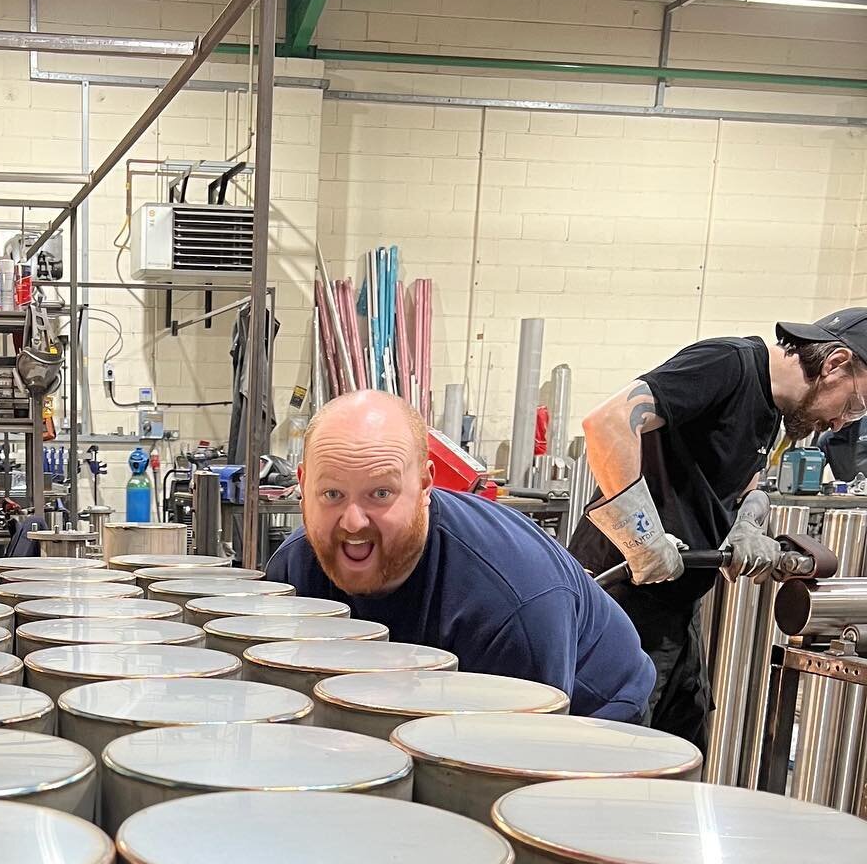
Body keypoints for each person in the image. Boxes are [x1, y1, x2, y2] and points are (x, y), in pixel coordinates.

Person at [570, 307, 867, 747]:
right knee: (610, 754)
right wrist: (642, 537)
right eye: (853, 405)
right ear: (835, 363)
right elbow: (608, 423)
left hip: (675, 604)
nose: (843, 422)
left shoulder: (775, 409)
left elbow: (741, 477)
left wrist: (747, 524)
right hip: (618, 595)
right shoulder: (728, 364)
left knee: (680, 746)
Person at [266, 390, 654, 721]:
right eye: (332, 494)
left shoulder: (507, 603)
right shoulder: (294, 571)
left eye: (380, 494)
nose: (352, 523)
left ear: (424, 484)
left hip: (592, 723)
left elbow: (517, 762)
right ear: (302, 485)